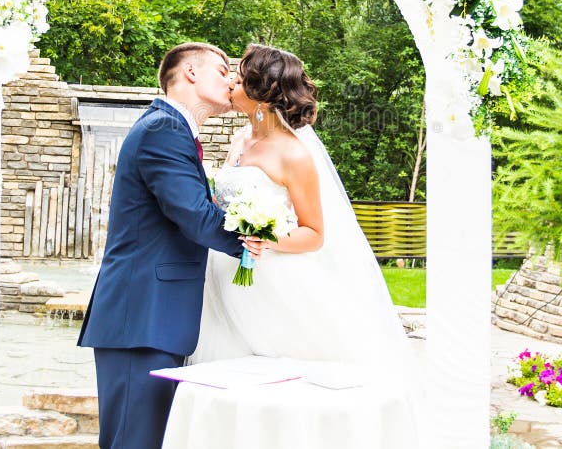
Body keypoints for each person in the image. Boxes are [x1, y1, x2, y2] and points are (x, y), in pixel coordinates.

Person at [191, 43, 418, 381]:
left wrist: (266, 237)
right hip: (223, 269)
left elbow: (314, 233)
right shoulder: (240, 139)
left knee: (276, 371)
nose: (229, 86)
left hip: (271, 280)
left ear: (262, 96)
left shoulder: (293, 155)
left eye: (237, 82)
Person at [78, 42, 263, 449]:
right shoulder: (163, 130)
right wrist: (252, 241)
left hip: (154, 316)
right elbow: (195, 216)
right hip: (141, 316)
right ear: (191, 74)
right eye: (221, 69)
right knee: (133, 439)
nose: (231, 79)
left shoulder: (171, 128)